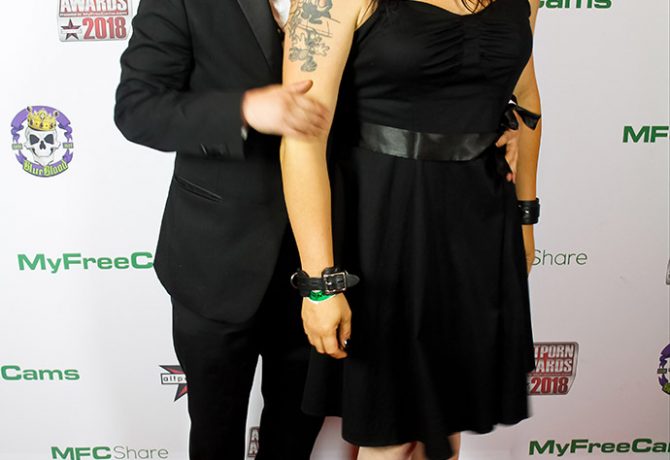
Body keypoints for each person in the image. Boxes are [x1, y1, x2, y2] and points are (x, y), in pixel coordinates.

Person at [280, 0, 542, 459]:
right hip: (383, 225)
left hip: (478, 224)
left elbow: (526, 99)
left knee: (447, 427)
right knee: (391, 436)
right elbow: (302, 139)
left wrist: (525, 215)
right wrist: (319, 284)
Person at [113, 1, 331, 458]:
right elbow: (138, 107)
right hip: (213, 261)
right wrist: (244, 110)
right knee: (215, 437)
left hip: (322, 263)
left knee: (296, 439)